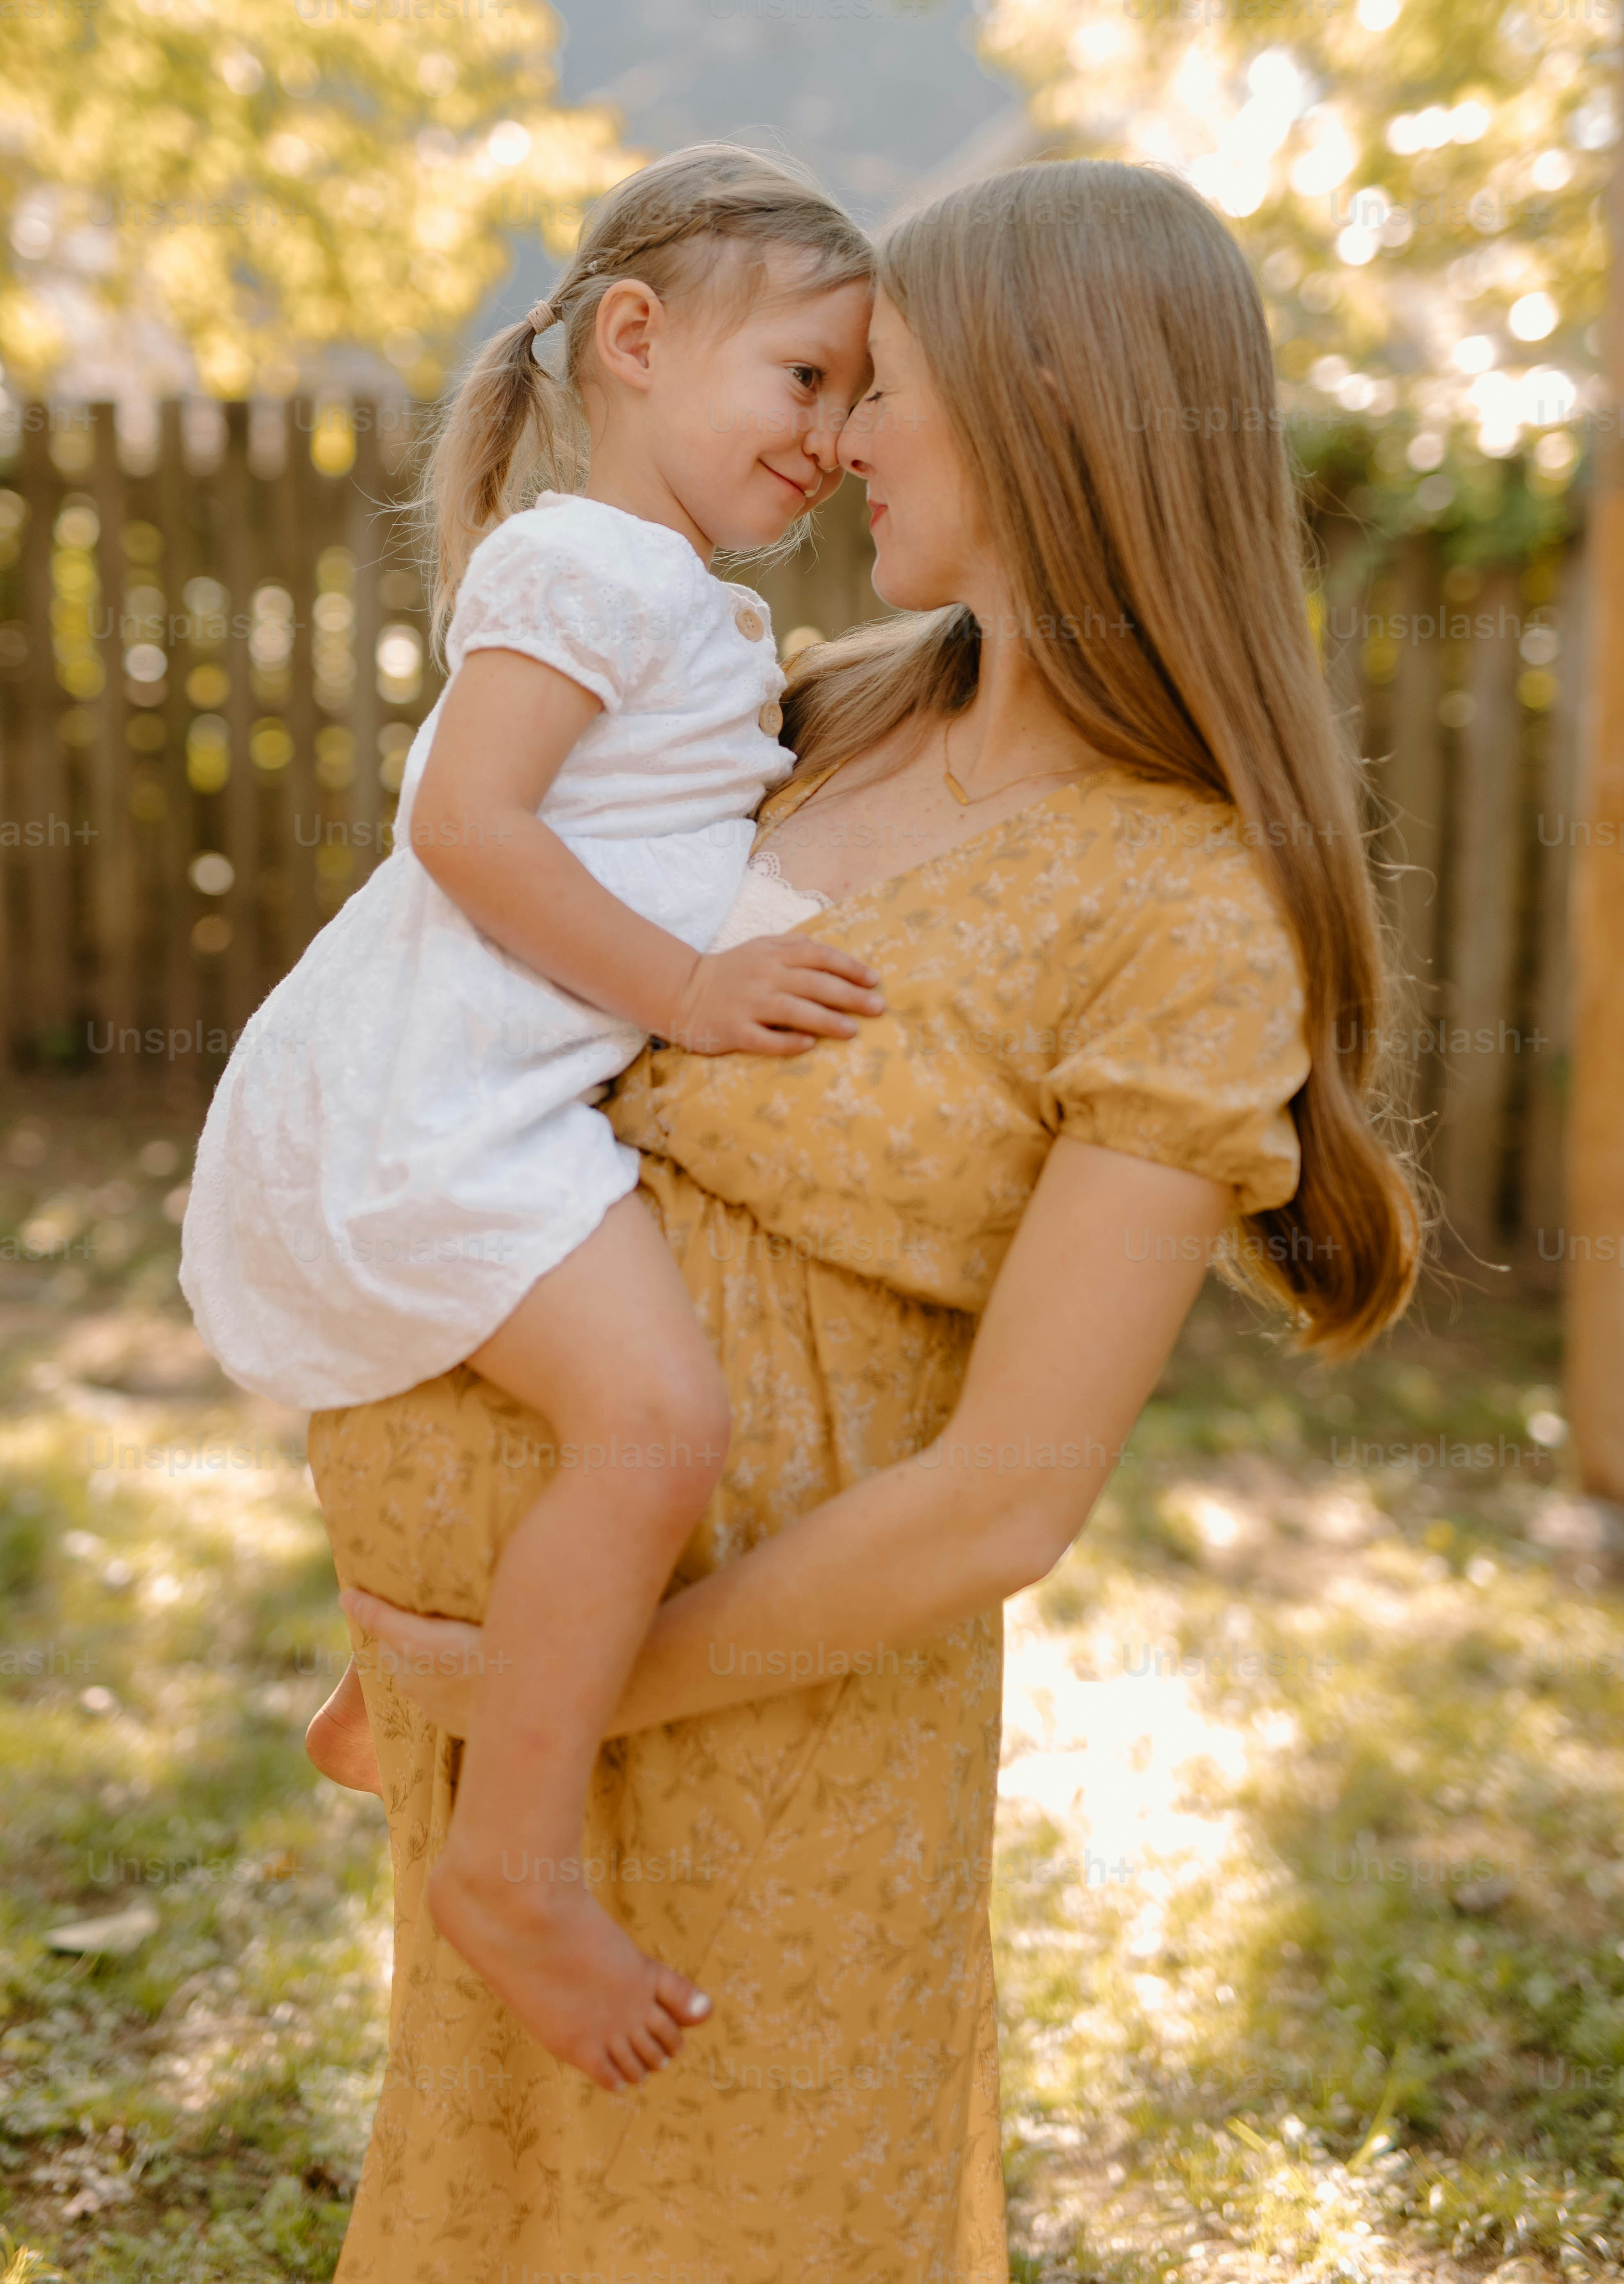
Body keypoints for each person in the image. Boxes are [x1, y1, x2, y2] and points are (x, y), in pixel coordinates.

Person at [303, 158, 1422, 2282]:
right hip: (511, 1718)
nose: (835, 442)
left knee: (741, 2221)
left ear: (1041, 414)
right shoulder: (809, 718)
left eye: (879, 384)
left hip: (774, 1734)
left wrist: (573, 1691)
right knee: (499, 2213)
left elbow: (1009, 1498)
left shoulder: (1187, 907)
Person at [179, 147, 879, 2091]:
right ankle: (510, 1867)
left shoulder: (674, 595)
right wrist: (690, 996)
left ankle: (387, 1700)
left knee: (579, 1431)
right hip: (441, 1109)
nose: (834, 437)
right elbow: (464, 824)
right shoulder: (583, 562)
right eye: (806, 378)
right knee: (654, 1429)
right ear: (639, 342)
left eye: (860, 398)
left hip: (489, 1088)